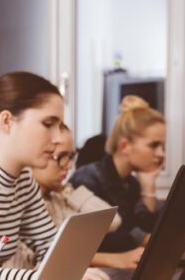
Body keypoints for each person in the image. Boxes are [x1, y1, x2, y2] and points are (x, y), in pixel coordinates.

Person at [0, 71, 114, 280]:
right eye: (48, 124)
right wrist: (38, 279)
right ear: (7, 122)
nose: (57, 138)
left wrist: (69, 272)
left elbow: (51, 249)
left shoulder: (24, 183)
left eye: (59, 126)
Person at [3, 124, 142, 271]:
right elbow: (44, 261)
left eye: (71, 157)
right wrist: (115, 260)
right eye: (61, 157)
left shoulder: (58, 199)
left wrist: (67, 190)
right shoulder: (17, 207)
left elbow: (113, 221)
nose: (68, 165)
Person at [70, 96, 166, 252]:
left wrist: (149, 184)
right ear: (124, 146)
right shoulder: (87, 178)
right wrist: (148, 240)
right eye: (154, 145)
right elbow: (96, 242)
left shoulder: (131, 183)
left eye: (162, 146)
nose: (161, 154)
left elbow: (146, 228)